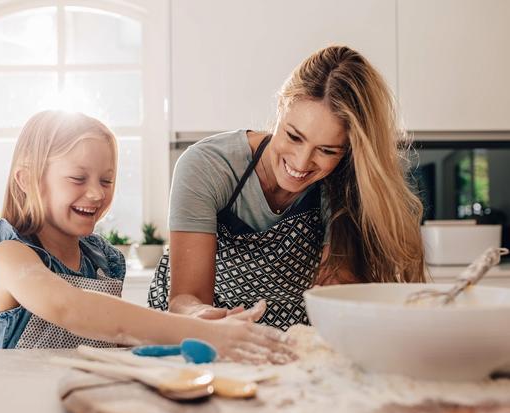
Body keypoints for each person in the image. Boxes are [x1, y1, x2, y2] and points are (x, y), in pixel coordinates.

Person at [0, 110, 296, 363]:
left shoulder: (102, 262)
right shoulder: (9, 255)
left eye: (107, 180)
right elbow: (70, 308)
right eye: (78, 178)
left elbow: (115, 336)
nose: (96, 193)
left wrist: (196, 324)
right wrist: (205, 333)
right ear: (27, 179)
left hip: (85, 404)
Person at [148, 45, 426, 330]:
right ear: (281, 106)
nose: (302, 162)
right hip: (197, 329)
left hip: (293, 332)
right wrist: (204, 318)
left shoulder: (345, 185)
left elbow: (335, 291)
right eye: (294, 136)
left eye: (327, 150)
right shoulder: (208, 166)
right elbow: (186, 297)